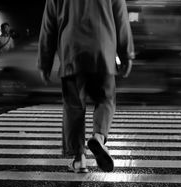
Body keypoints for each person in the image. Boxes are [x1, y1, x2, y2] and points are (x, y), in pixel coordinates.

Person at [38, 0, 134, 173]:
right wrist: (126, 55)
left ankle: (79, 158)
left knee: (73, 106)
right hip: (103, 49)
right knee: (106, 98)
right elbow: (121, 20)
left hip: (71, 51)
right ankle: (98, 136)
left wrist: (45, 62)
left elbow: (48, 26)